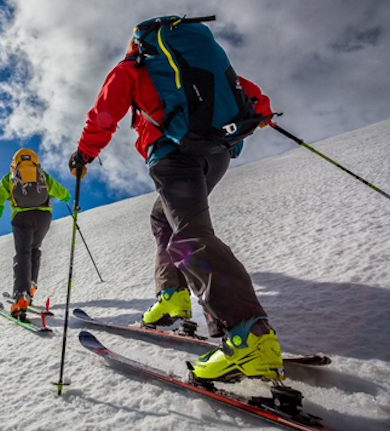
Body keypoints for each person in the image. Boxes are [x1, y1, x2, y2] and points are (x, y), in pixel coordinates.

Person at [68, 27, 284, 383]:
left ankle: (248, 335)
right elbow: (244, 91)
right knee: (163, 219)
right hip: (216, 155)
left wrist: (84, 154)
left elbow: (104, 114)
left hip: (173, 154)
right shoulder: (195, 63)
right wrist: (264, 113)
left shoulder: (134, 66)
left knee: (190, 235)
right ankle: (171, 295)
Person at [0, 148, 70, 321]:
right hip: (43, 217)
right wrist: (66, 197)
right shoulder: (42, 175)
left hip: (22, 217)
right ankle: (30, 287)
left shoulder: (9, 178)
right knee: (35, 249)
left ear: (15, 161)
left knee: (23, 253)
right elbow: (60, 191)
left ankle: (21, 297)